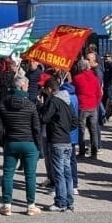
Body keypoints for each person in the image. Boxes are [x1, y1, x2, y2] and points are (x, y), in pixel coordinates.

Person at [0, 76, 42, 217]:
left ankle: (7, 205)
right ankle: (31, 206)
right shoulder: (30, 105)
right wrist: (39, 146)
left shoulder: (3, 104)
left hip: (11, 141)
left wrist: (3, 141)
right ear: (21, 86)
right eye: (27, 84)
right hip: (29, 142)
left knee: (8, 174)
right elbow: (36, 128)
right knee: (30, 175)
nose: (28, 86)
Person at [38, 78, 74, 212]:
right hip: (67, 140)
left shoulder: (53, 101)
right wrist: (65, 129)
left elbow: (44, 118)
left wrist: (41, 105)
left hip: (57, 141)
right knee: (67, 173)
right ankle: (69, 202)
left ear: (49, 89)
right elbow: (74, 121)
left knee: (59, 173)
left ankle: (60, 202)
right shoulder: (66, 102)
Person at [72, 59, 101, 160]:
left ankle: (82, 151)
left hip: (82, 106)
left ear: (80, 67)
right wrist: (96, 103)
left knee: (81, 130)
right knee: (93, 130)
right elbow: (99, 93)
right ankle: (94, 153)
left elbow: (74, 92)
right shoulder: (95, 78)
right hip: (93, 106)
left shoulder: (76, 78)